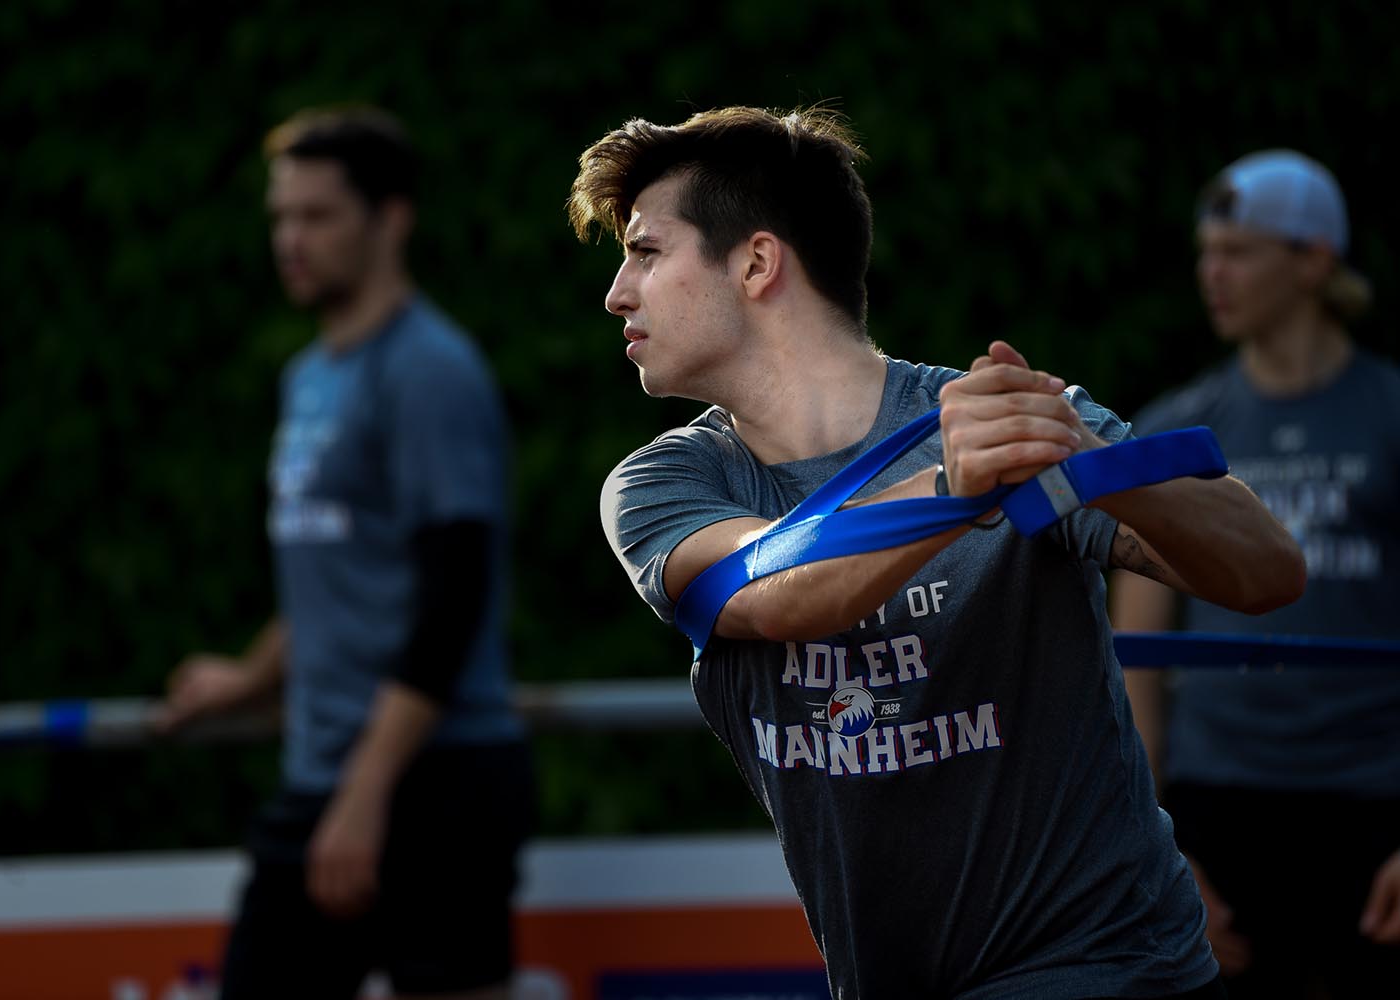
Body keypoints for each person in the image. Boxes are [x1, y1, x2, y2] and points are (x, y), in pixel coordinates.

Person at [569, 106, 1306, 999]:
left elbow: (1269, 572)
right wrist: (960, 486)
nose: (618, 293)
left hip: (1113, 964)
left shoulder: (1011, 423)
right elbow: (780, 589)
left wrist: (1090, 463)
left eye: (646, 252)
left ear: (757, 263)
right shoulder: (662, 484)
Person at [157, 106, 533, 1000]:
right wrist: (252, 676)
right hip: (329, 777)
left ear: (390, 219)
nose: (290, 240)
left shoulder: (431, 370)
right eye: (281, 217)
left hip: (432, 782)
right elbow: (346, 571)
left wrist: (365, 793)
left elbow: (452, 597)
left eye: (317, 215)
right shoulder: (309, 377)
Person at [1110, 149, 1400, 998]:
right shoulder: (1177, 429)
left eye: (1238, 251)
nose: (1213, 273)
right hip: (1216, 813)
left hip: (1377, 806)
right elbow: (1134, 657)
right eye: (1207, 252)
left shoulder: (1391, 415)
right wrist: (1156, 844)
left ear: (1313, 260)